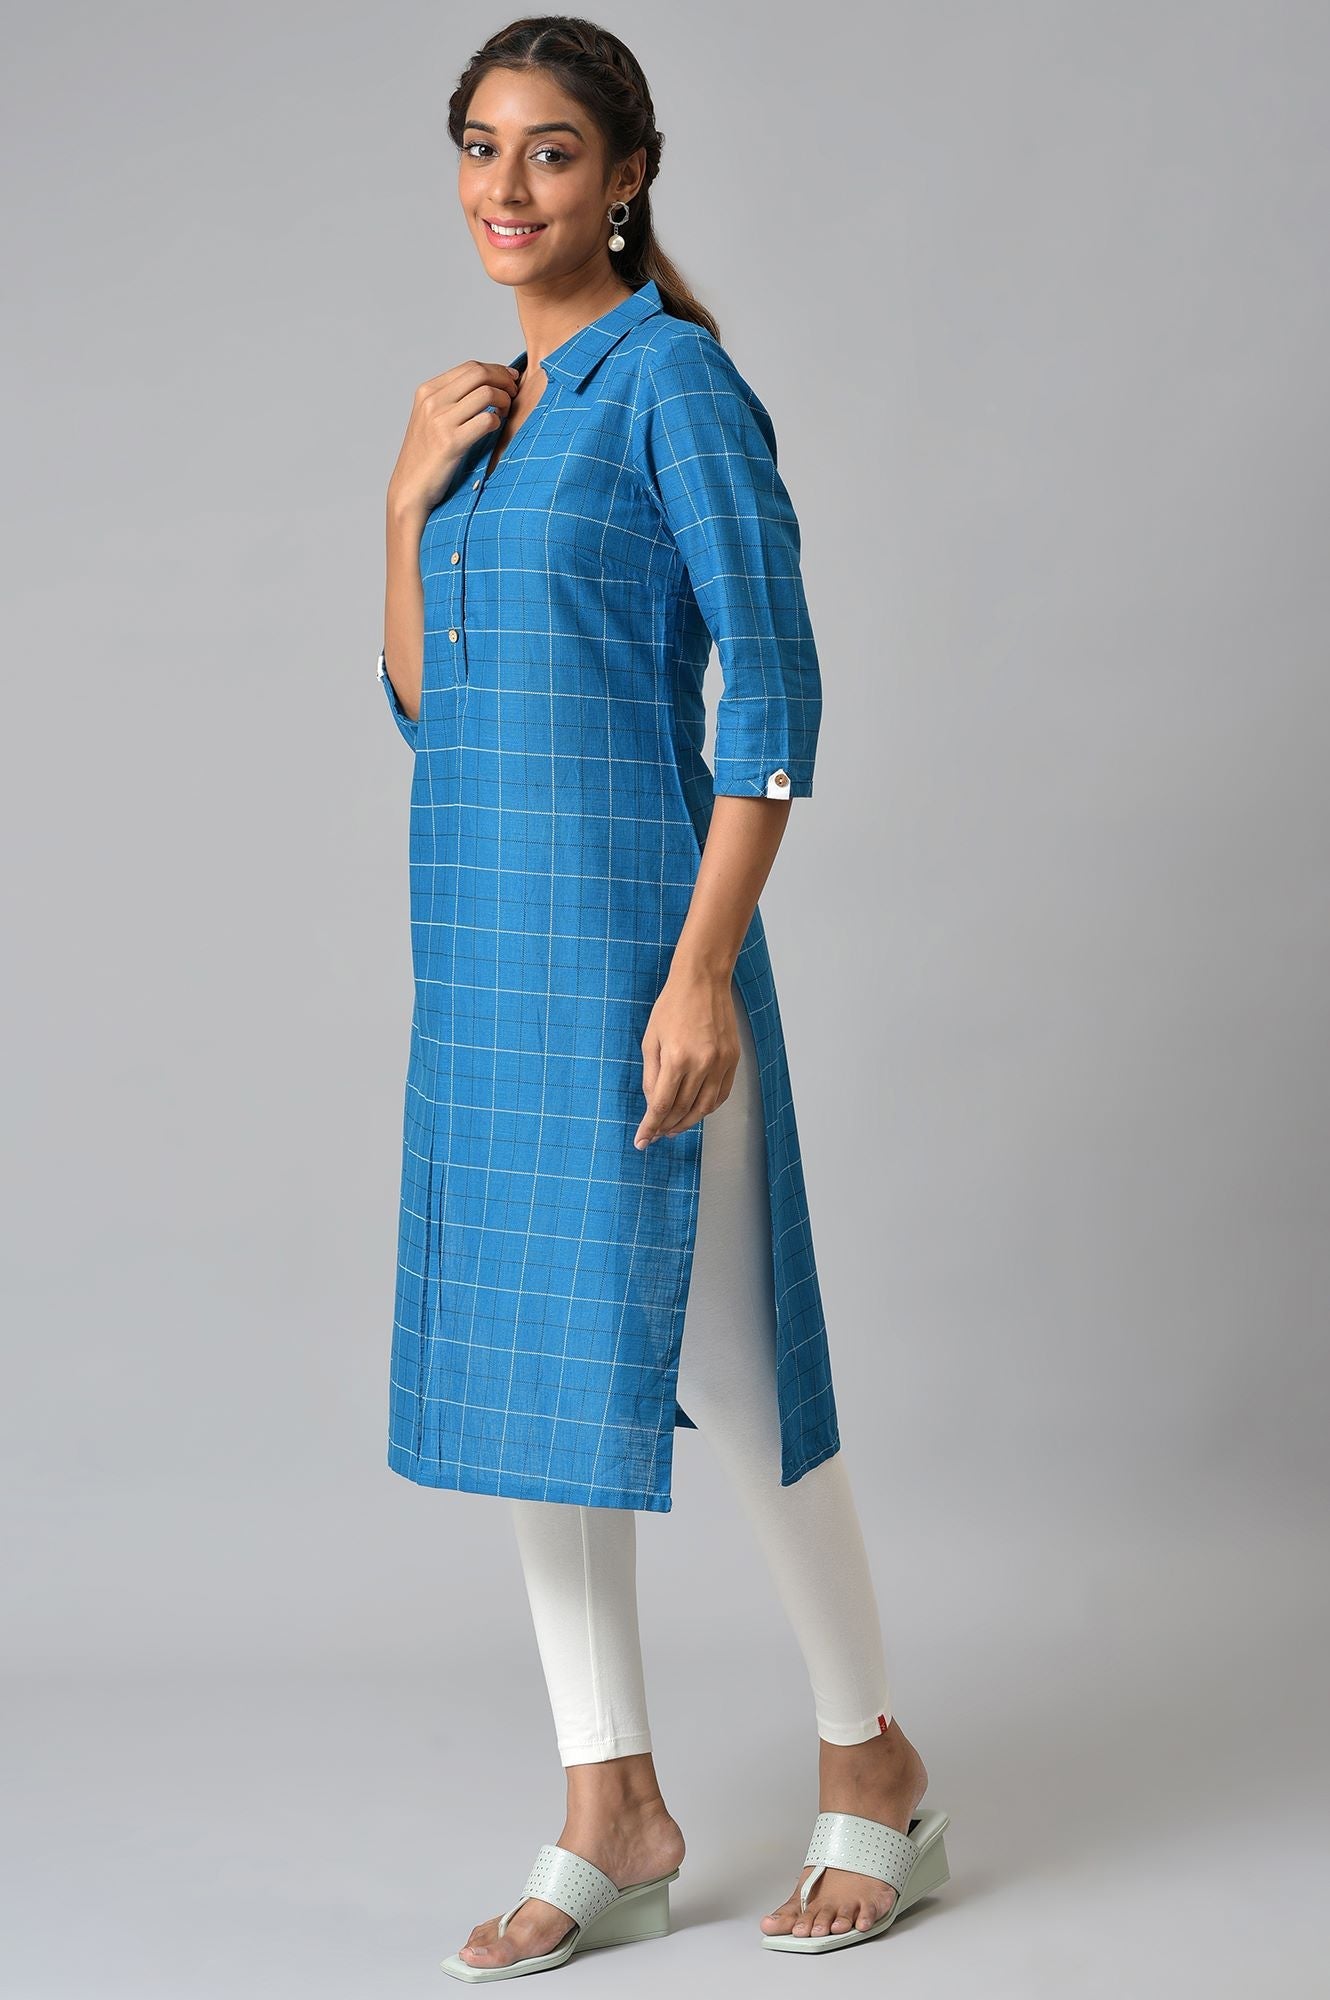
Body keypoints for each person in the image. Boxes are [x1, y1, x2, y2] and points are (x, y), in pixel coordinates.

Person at [375, 16, 949, 1978]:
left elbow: (772, 693)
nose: (504, 187)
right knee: (538, 1385)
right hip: (485, 968)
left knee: (738, 1370)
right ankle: (607, 1808)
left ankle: (874, 1767)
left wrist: (701, 971)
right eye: (478, 146)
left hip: (636, 961)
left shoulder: (671, 385)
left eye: (548, 150)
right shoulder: (483, 412)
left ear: (624, 176)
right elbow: (429, 711)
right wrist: (402, 505)